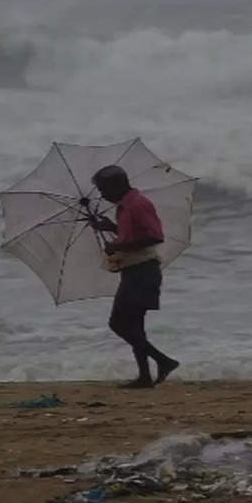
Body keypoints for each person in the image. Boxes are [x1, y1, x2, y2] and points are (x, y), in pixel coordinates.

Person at [89, 165, 180, 388]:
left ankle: (164, 361)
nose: (102, 195)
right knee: (134, 326)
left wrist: (118, 245)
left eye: (103, 189)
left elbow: (155, 237)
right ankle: (145, 377)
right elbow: (135, 235)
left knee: (118, 324)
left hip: (142, 271)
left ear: (116, 186)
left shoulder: (138, 204)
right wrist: (110, 227)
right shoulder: (125, 206)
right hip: (134, 271)